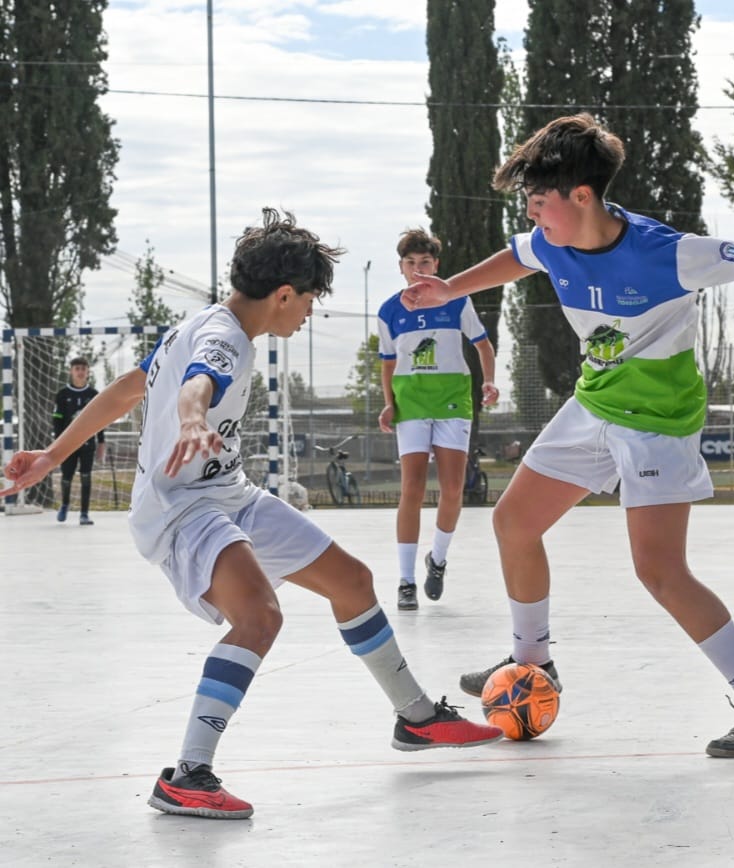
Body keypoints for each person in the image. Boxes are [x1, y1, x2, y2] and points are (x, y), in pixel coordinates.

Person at [402, 113, 734, 758]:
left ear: (582, 195)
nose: (533, 217)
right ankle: (533, 662)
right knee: (514, 523)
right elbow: (514, 259)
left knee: (660, 571)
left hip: (657, 423)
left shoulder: (668, 253)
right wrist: (449, 289)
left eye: (539, 203)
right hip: (593, 405)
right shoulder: (550, 241)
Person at [1, 208, 502, 820]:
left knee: (351, 581)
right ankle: (187, 776)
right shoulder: (225, 340)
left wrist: (52, 455)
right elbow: (197, 385)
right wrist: (192, 418)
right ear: (284, 294)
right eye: (310, 300)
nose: (309, 312)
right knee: (259, 617)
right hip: (181, 508)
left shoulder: (201, 324)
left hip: (229, 493)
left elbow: (130, 387)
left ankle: (416, 718)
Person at [377, 228, 498, 611]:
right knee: (411, 489)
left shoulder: (456, 300)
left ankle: (438, 559)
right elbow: (388, 363)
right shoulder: (389, 310)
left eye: (425, 262)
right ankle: (406, 580)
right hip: (411, 404)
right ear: (401, 267)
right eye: (410, 263)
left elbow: (483, 345)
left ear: (436, 265)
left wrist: (490, 381)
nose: (418, 269)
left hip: (453, 401)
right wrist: (389, 403)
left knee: (453, 489)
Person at [52, 357, 106, 525]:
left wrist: (101, 442)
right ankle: (65, 504)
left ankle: (84, 513)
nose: (80, 372)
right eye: (77, 368)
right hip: (68, 444)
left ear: (88, 371)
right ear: (71, 371)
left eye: (83, 368)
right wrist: (58, 444)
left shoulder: (94, 394)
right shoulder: (63, 394)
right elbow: (57, 421)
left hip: (87, 443)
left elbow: (100, 420)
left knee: (86, 476)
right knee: (67, 476)